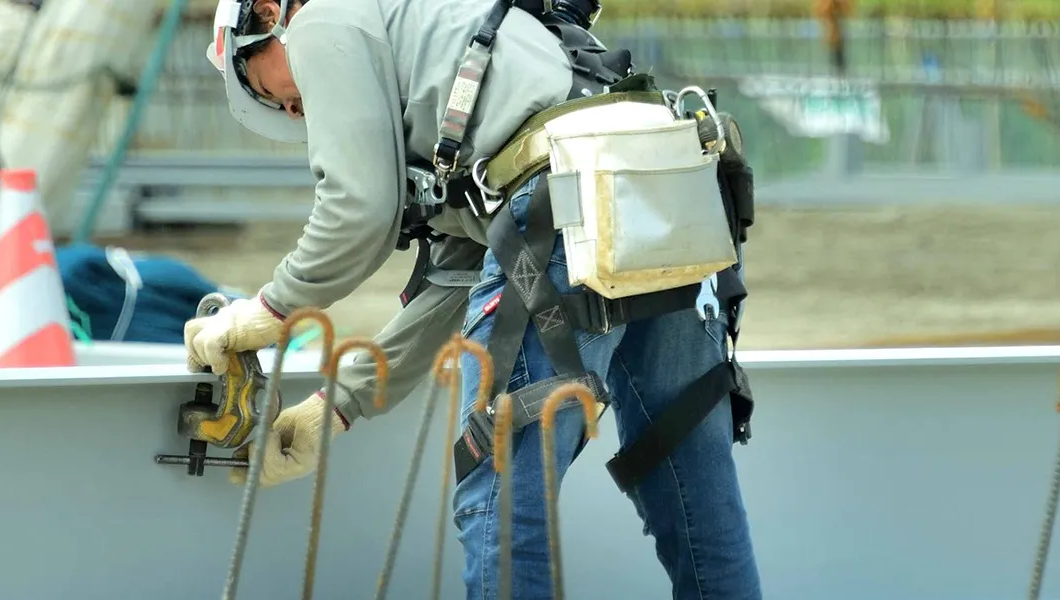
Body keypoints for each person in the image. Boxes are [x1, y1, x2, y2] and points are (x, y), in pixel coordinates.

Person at [183, 0, 762, 597]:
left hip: (562, 200)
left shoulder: (322, 20)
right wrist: (336, 407)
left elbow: (358, 212)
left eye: (266, 87)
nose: (289, 107)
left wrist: (269, 309)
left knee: (502, 497)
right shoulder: (441, 40)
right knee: (690, 485)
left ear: (270, 15)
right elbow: (458, 277)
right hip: (667, 191)